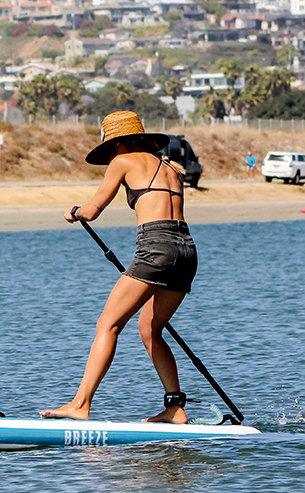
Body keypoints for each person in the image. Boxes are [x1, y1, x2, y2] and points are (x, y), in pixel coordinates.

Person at [41, 111, 197, 424]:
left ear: (121, 144)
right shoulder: (171, 167)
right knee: (150, 328)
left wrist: (73, 212)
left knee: (108, 324)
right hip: (187, 252)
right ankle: (175, 408)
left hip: (156, 249)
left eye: (110, 148)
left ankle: (80, 404)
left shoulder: (123, 162)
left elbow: (93, 210)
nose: (110, 155)